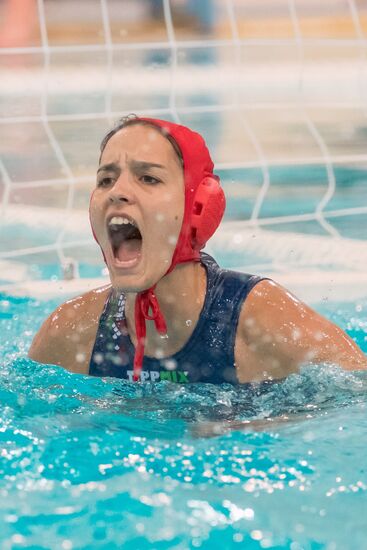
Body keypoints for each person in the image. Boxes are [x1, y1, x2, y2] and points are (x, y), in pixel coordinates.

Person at [28, 115, 367, 384]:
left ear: (199, 207)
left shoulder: (260, 320)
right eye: (106, 180)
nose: (118, 192)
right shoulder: (71, 332)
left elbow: (355, 398)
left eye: (148, 178)